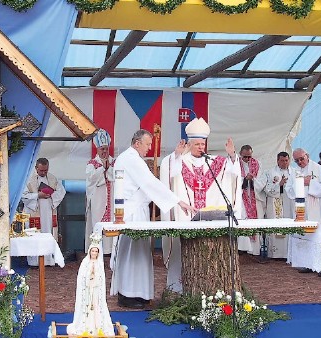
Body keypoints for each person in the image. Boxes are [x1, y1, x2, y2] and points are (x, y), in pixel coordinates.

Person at [110, 129, 192, 308]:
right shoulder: (131, 159)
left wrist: (175, 156)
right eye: (147, 144)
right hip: (133, 214)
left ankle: (135, 293)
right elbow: (150, 182)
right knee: (134, 254)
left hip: (135, 211)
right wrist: (178, 201)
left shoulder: (130, 158)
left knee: (137, 253)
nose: (149, 148)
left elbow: (151, 181)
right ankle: (129, 295)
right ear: (137, 143)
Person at [159, 117, 240, 292]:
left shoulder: (214, 162)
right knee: (181, 254)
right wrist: (177, 155)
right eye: (197, 145)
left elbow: (233, 172)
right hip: (186, 217)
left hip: (209, 219)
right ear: (189, 144)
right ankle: (178, 290)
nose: (201, 148)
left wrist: (232, 155)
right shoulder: (179, 160)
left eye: (203, 145)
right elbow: (169, 174)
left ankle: (210, 289)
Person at [285, 148, 321, 276]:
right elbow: (288, 189)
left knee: (318, 234)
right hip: (301, 207)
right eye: (297, 161)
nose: (300, 162)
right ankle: (308, 263)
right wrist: (299, 183)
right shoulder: (295, 172)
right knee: (304, 235)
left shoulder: (319, 169)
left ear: (307, 156)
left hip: (316, 206)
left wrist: (311, 183)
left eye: (302, 159)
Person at [67, 234, 115, 338]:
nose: (94, 253)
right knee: (87, 307)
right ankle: (85, 326)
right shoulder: (85, 262)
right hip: (87, 289)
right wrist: (89, 276)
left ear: (98, 253)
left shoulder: (99, 263)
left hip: (96, 289)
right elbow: (81, 276)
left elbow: (102, 278)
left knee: (96, 306)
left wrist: (95, 277)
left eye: (96, 251)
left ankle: (97, 326)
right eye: (92, 251)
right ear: (90, 252)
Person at [21, 158, 66, 266]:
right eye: (41, 170)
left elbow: (61, 191)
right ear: (36, 168)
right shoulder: (28, 179)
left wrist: (52, 195)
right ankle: (34, 262)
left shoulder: (52, 178)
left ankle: (49, 260)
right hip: (35, 211)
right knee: (35, 235)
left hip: (49, 212)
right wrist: (38, 195)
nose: (44, 172)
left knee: (48, 233)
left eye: (46, 170)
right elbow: (23, 195)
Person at [85, 129, 115, 254]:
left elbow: (115, 176)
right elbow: (91, 180)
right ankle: (97, 248)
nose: (104, 151)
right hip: (98, 198)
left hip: (111, 198)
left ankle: (109, 249)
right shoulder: (92, 164)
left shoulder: (114, 162)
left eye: (106, 149)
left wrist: (108, 169)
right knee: (98, 222)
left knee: (111, 222)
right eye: (102, 149)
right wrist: (103, 168)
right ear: (97, 149)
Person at [263, 152, 295, 259]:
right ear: (277, 161)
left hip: (290, 203)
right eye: (282, 160)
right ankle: (276, 254)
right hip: (276, 203)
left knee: (289, 224)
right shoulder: (271, 173)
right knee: (277, 226)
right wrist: (279, 185)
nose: (285, 163)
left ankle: (289, 253)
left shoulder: (294, 172)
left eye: (286, 160)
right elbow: (267, 189)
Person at [238, 144, 267, 256]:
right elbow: (234, 180)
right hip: (242, 198)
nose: (247, 159)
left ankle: (254, 250)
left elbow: (262, 180)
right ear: (240, 154)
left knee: (255, 220)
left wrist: (253, 180)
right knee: (243, 219)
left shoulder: (256, 164)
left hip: (254, 196)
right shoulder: (236, 163)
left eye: (249, 157)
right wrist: (245, 179)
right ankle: (242, 249)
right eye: (245, 157)